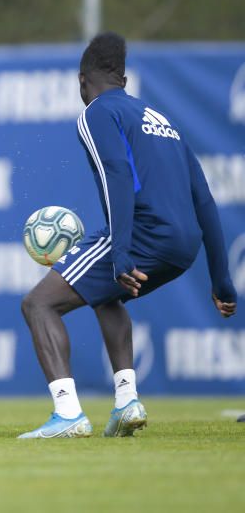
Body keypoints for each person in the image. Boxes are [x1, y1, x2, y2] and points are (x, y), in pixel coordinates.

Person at [18, 32, 237, 439]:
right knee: (106, 297)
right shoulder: (161, 120)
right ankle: (126, 402)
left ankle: (68, 415)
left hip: (142, 235)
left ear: (83, 81)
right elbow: (204, 199)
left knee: (38, 305)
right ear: (123, 77)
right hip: (183, 245)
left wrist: (120, 253)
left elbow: (116, 173)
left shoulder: (97, 112)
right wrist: (222, 280)